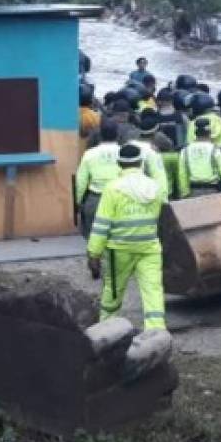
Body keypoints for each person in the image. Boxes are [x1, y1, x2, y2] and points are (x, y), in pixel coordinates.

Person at [86, 144, 167, 330]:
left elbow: (101, 224)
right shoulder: (155, 187)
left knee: (113, 291)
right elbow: (158, 217)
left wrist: (94, 253)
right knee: (153, 290)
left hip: (119, 249)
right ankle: (156, 331)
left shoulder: (112, 188)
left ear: (119, 163)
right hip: (149, 247)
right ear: (141, 163)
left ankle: (106, 328)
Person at [75, 120, 122, 238]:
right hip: (121, 199)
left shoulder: (89, 154)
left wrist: (79, 202)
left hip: (96, 200)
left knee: (94, 238)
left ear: (100, 134)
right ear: (117, 134)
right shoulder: (124, 152)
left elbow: (81, 182)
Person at [177, 119, 221, 198]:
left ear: (195, 134)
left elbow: (182, 174)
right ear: (209, 133)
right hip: (213, 190)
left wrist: (184, 192)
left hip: (194, 191)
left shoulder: (185, 151)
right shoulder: (215, 150)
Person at [130, 111, 172, 202]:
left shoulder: (130, 145)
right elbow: (160, 180)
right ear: (155, 132)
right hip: (148, 195)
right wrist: (164, 201)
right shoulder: (152, 152)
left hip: (130, 193)